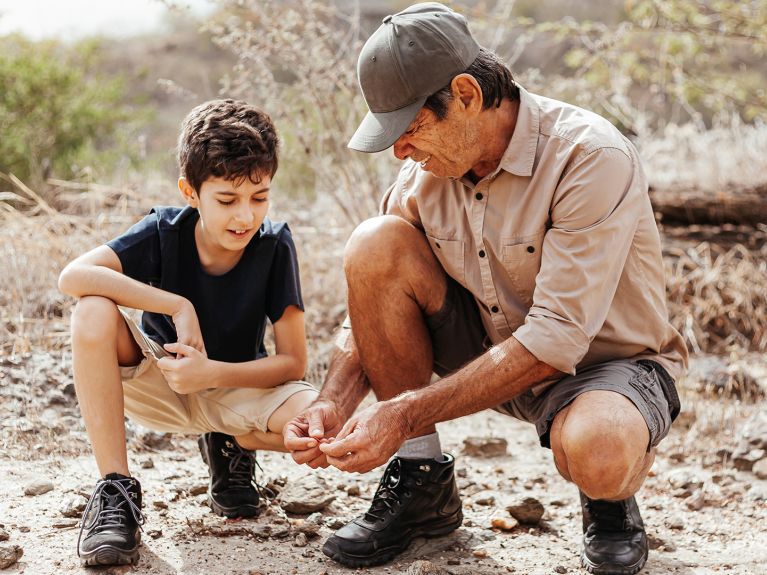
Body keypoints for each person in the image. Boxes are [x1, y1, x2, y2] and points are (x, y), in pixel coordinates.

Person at [284, 3, 687, 575]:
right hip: (490, 350)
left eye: (411, 129)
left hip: (602, 368)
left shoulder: (589, 156)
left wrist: (398, 412)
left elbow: (555, 339)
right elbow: (372, 301)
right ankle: (422, 488)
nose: (400, 150)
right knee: (375, 241)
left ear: (467, 95)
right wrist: (333, 400)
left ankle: (609, 501)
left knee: (599, 450)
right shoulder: (425, 174)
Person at [58, 99, 317, 567]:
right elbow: (73, 276)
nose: (245, 217)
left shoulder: (275, 245)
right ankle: (115, 490)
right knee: (92, 310)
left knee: (321, 423)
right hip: (163, 383)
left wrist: (211, 373)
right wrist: (177, 305)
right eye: (227, 200)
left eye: (260, 197)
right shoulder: (164, 233)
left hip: (237, 387)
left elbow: (293, 362)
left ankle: (235, 443)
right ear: (190, 192)